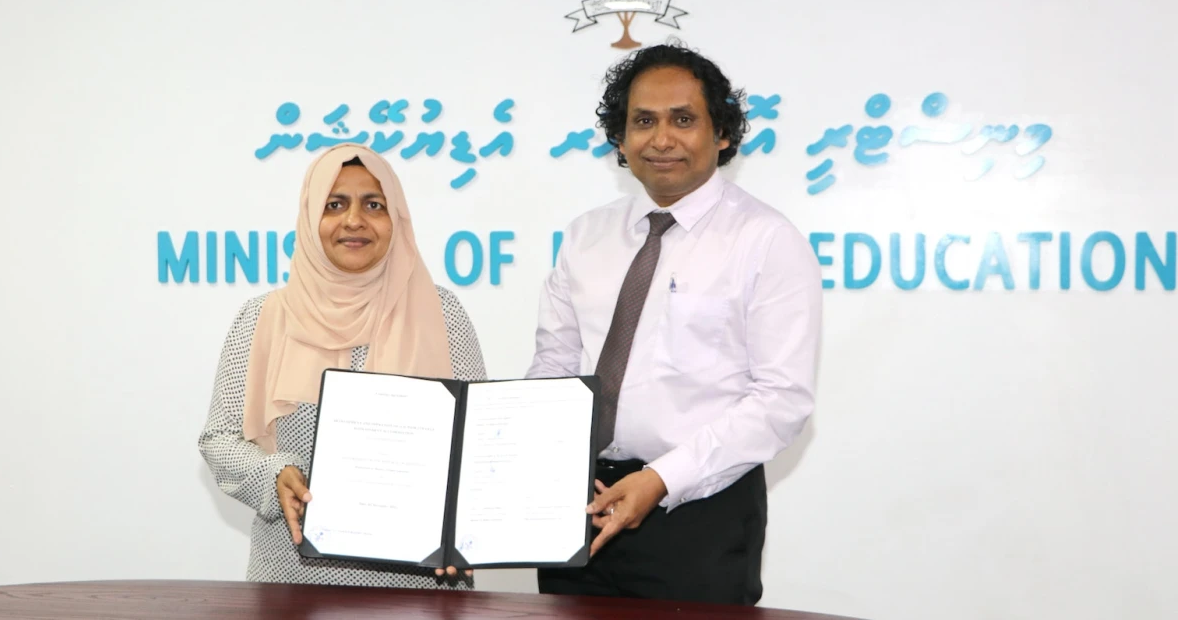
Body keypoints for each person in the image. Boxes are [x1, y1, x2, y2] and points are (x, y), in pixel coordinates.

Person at [527, 42, 823, 605]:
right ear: (620, 139)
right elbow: (554, 365)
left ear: (723, 134)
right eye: (643, 121)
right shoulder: (586, 236)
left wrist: (662, 478)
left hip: (698, 514)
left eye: (683, 120)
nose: (661, 139)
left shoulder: (766, 240)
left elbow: (781, 399)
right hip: (578, 504)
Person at [198, 143, 486, 589]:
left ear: (396, 219)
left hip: (420, 583)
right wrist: (274, 474)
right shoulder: (263, 317)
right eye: (334, 205)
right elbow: (219, 440)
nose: (354, 220)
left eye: (374, 205)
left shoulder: (441, 313)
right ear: (311, 216)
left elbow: (478, 440)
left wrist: (467, 527)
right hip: (293, 580)